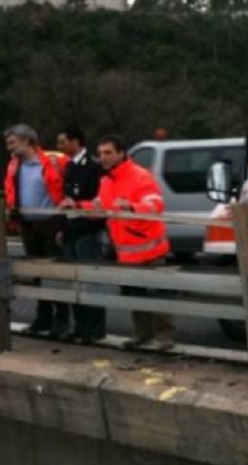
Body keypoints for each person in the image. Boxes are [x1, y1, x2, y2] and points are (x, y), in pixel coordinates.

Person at [61, 135, 174, 351]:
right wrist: (76, 206)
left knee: (158, 295)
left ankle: (164, 338)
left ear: (121, 153)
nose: (103, 157)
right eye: (101, 153)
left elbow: (155, 204)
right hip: (127, 251)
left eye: (108, 152)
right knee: (135, 295)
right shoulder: (107, 180)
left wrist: (131, 208)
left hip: (149, 247)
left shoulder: (140, 176)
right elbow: (100, 208)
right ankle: (142, 335)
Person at [3, 124, 71, 338]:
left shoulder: (53, 161)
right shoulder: (15, 165)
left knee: (54, 274)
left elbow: (65, 187)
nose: (9, 148)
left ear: (27, 141)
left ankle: (61, 319)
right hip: (29, 225)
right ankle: (43, 318)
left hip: (50, 222)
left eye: (13, 142)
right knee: (36, 275)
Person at [56, 126, 106, 344]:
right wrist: (62, 228)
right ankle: (80, 326)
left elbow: (97, 201)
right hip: (71, 230)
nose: (60, 147)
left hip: (87, 230)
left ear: (75, 142)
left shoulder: (92, 167)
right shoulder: (69, 166)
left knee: (91, 281)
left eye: (63, 142)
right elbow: (65, 199)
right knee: (74, 282)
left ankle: (94, 328)